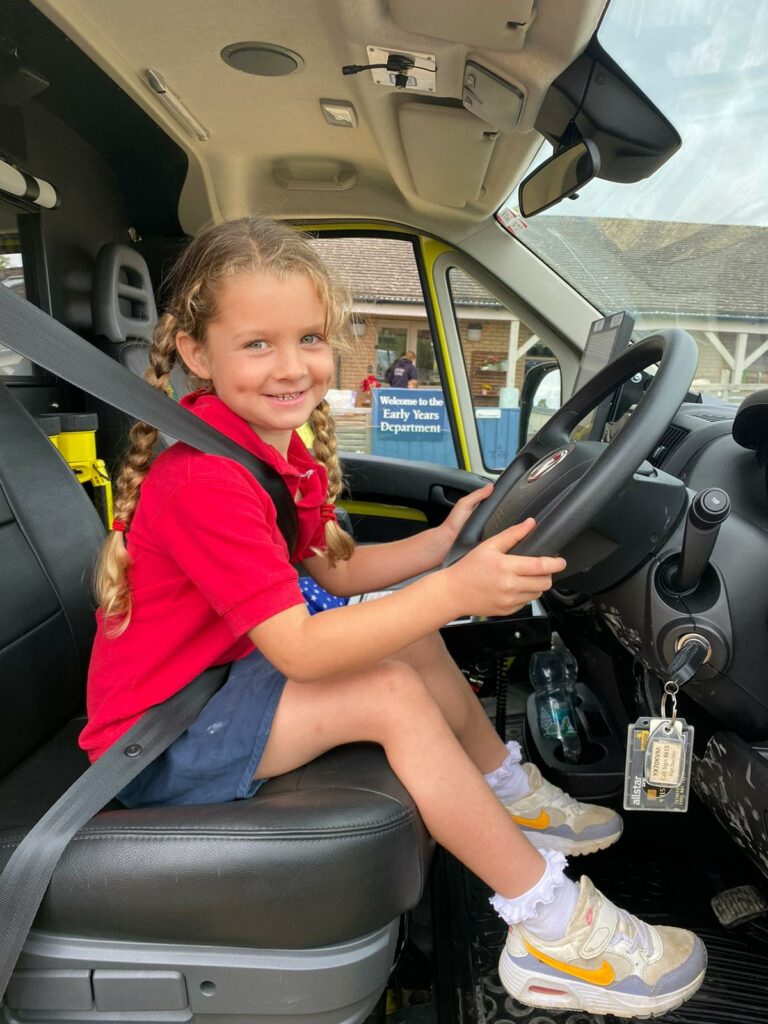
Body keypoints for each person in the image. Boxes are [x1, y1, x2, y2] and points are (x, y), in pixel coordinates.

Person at [80, 218, 705, 1017]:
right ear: (197, 355)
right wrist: (455, 590)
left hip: (218, 686)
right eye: (256, 344)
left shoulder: (267, 449)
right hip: (160, 741)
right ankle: (553, 933)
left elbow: (332, 570)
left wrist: (445, 544)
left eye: (308, 337)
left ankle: (510, 795)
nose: (292, 366)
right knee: (389, 692)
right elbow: (303, 648)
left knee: (404, 633)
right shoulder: (205, 479)